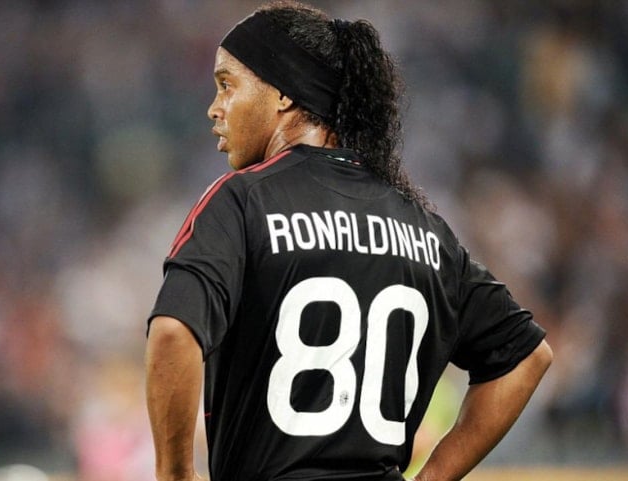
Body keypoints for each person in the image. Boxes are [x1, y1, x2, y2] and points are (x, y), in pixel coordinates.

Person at [145, 1, 553, 480]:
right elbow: (526, 356)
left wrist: (175, 475)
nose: (214, 108)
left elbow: (173, 332)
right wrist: (433, 477)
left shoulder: (242, 201)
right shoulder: (426, 229)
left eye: (226, 84)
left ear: (282, 94)